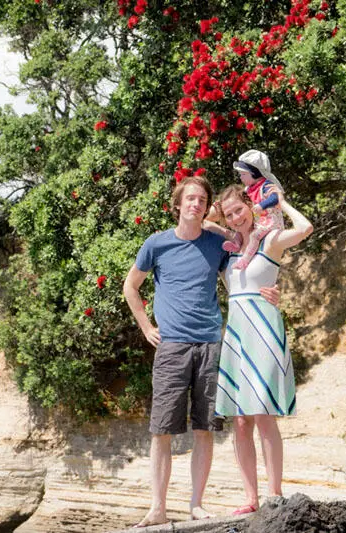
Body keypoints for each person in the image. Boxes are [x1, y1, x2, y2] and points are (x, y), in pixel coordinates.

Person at [122, 176, 280, 527]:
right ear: (177, 204)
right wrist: (146, 326)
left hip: (211, 345)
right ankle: (158, 508)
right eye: (189, 198)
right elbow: (130, 286)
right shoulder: (156, 244)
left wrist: (272, 290)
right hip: (172, 346)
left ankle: (196, 504)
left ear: (207, 207)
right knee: (161, 430)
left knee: (204, 428)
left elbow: (251, 265)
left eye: (201, 200)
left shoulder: (217, 244)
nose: (195, 203)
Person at [211, 183, 313, 516]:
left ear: (251, 207)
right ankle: (250, 498)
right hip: (238, 333)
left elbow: (305, 228)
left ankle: (274, 494)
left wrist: (280, 203)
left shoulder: (270, 240)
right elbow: (203, 221)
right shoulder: (228, 248)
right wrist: (219, 211)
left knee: (264, 415)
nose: (235, 218)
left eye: (239, 209)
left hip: (264, 329)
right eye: (229, 214)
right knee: (240, 421)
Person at [223, 150, 285, 270]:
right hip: (260, 221)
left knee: (254, 236)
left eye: (243, 174)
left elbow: (275, 197)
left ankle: (244, 260)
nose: (240, 177)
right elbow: (238, 199)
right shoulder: (249, 189)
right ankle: (236, 245)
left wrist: (262, 205)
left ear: (254, 173)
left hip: (271, 222)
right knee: (238, 232)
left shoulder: (267, 186)